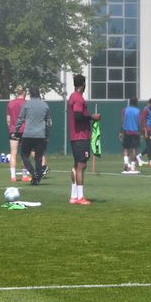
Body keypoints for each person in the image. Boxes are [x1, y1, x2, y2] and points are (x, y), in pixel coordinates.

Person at [68, 74, 100, 205]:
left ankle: (73, 196)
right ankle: (80, 197)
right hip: (80, 137)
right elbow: (77, 116)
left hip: (76, 136)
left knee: (76, 165)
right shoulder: (78, 98)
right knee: (81, 165)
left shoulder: (72, 96)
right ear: (83, 85)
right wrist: (92, 117)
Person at [17, 87, 51, 185]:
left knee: (24, 155)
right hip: (40, 135)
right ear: (39, 94)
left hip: (28, 134)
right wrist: (47, 134)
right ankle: (36, 179)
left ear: (30, 94)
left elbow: (20, 119)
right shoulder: (45, 105)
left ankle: (33, 173)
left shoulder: (26, 105)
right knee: (38, 158)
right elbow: (48, 122)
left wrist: (16, 131)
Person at [7, 86, 27, 181]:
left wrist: (11, 128)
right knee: (25, 154)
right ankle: (24, 176)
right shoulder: (26, 103)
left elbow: (8, 119)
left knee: (13, 153)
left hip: (13, 130)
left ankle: (13, 176)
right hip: (25, 130)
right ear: (24, 92)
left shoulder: (10, 103)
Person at [120, 97, 142, 173]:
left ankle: (126, 165)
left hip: (126, 132)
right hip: (135, 132)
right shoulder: (138, 111)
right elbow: (140, 122)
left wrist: (120, 132)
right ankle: (132, 167)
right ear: (136, 102)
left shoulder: (124, 110)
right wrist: (141, 132)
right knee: (134, 149)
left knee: (126, 148)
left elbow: (122, 121)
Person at [139, 97, 151, 168]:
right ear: (150, 103)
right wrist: (145, 131)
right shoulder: (145, 110)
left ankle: (138, 156)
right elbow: (143, 121)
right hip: (147, 130)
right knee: (149, 146)